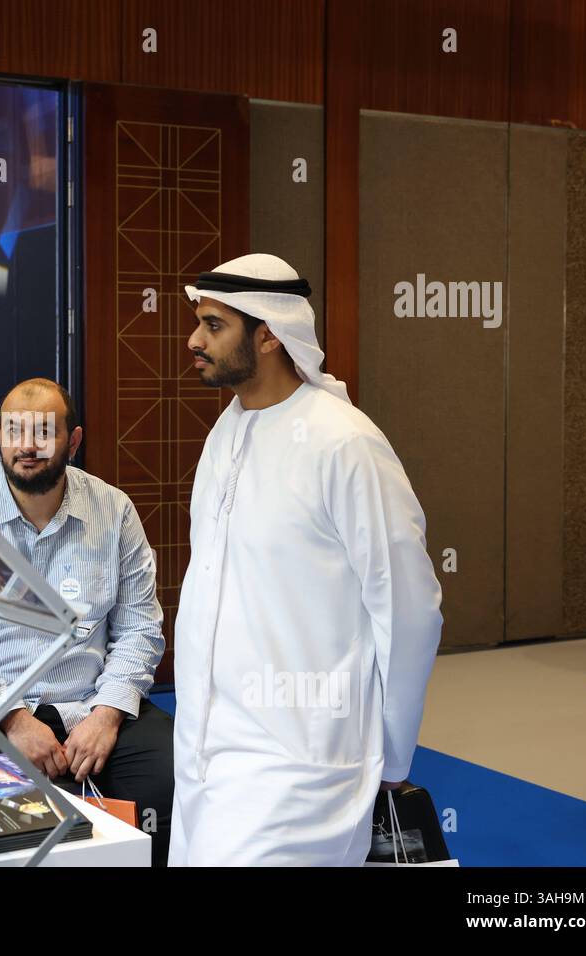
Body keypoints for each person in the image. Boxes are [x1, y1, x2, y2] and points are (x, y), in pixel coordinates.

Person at [169, 254, 444, 866]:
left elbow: (407, 608)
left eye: (214, 326)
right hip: (205, 753)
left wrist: (394, 755)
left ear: (268, 333)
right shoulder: (225, 433)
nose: (193, 340)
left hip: (298, 762)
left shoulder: (344, 442)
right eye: (197, 323)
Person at [0, 378, 173, 865]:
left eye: (44, 432)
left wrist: (107, 714)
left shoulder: (113, 510)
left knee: (171, 779)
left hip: (92, 704)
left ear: (73, 441)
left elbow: (140, 628)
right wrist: (10, 717)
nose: (26, 446)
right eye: (14, 431)